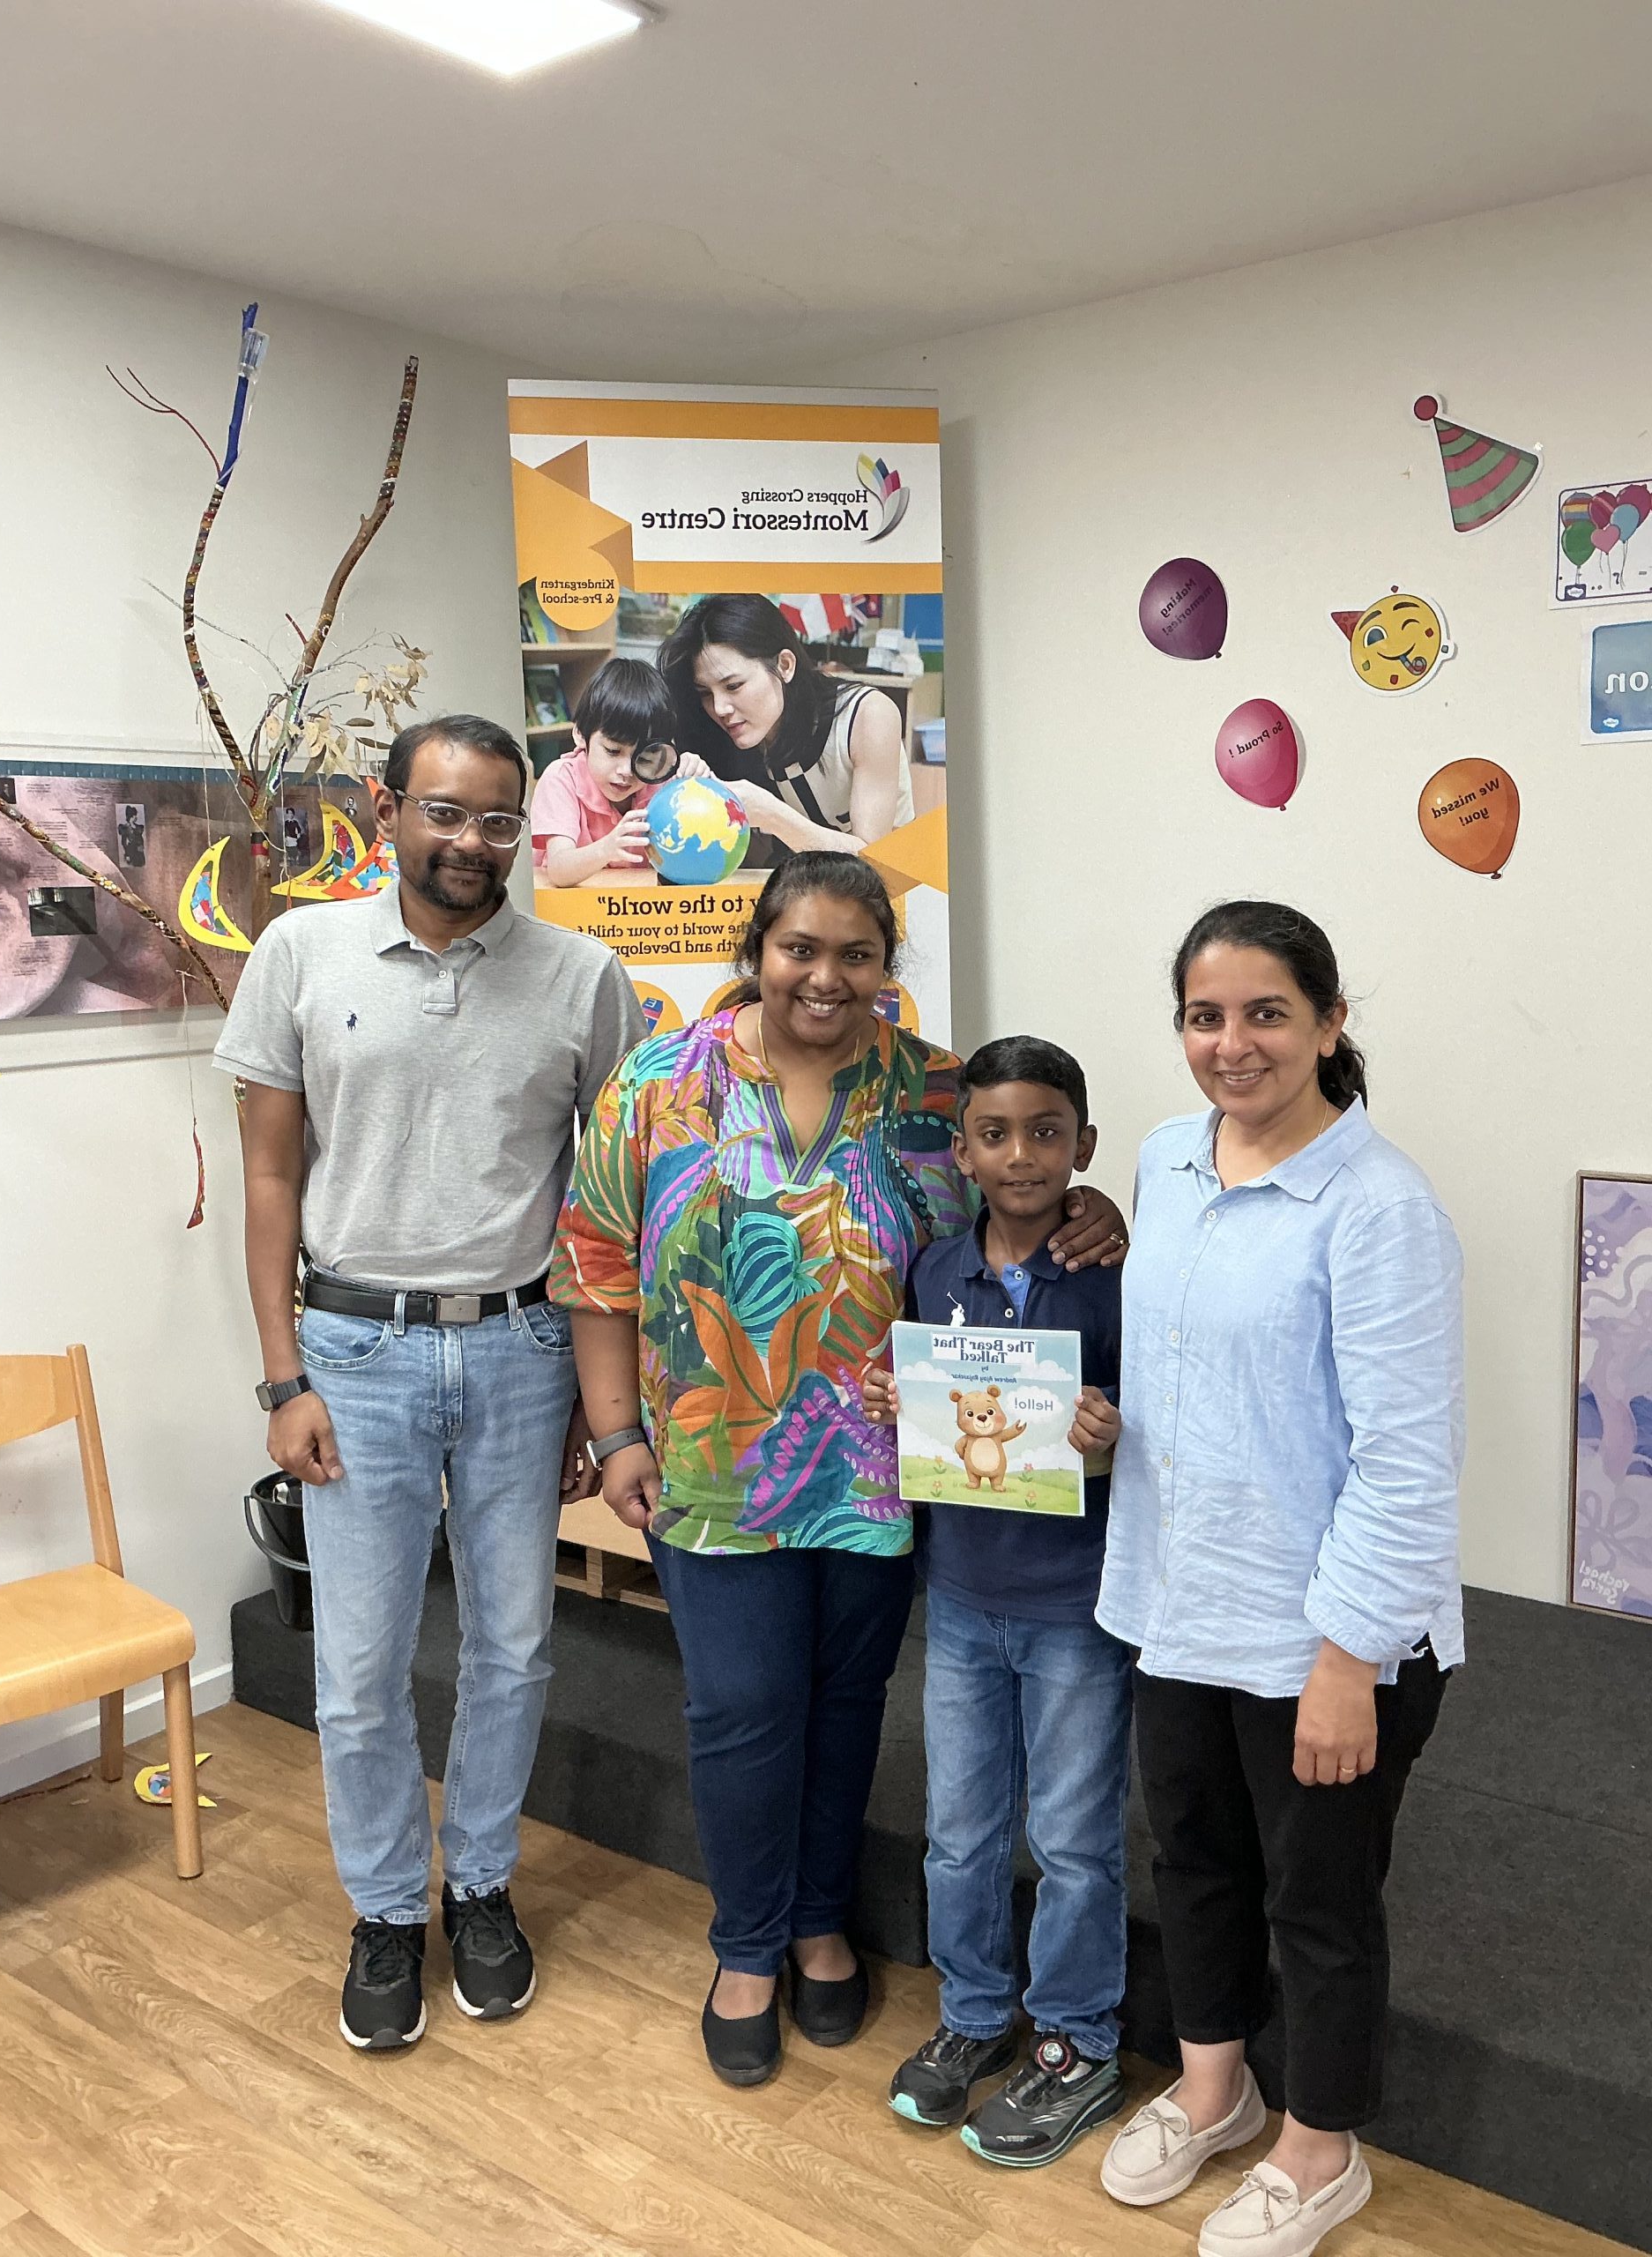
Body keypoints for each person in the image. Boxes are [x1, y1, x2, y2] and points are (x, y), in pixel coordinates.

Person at [550, 854, 1126, 2088]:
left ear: (885, 967)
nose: (825, 976)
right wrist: (616, 1435)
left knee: (847, 1701)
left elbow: (1019, 1205)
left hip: (888, 1476)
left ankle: (821, 1923)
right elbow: (596, 1268)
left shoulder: (937, 1093)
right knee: (740, 1707)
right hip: (709, 1468)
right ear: (757, 950)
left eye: (856, 955)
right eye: (800, 949)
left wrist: (1098, 1215)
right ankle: (747, 1945)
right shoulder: (658, 1084)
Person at [215, 712, 644, 2053]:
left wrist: (598, 1402)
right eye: (444, 812)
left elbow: (607, 1205)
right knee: (358, 1666)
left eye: (499, 819)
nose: (471, 841)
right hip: (354, 1356)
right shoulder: (300, 954)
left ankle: (483, 1887)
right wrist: (281, 1377)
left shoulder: (585, 977)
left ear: (524, 827)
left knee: (513, 1647)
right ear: (386, 806)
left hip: (523, 1351)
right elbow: (270, 1177)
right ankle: (390, 1908)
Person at [1095, 901, 1464, 2257]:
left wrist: (1347, 1660)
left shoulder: (1380, 1209)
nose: (1231, 1044)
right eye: (1205, 1017)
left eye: (1266, 1013)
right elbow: (1184, 1374)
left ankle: (1321, 2149)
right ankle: (1216, 2088)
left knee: (1317, 1902)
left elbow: (1408, 1465)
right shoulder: (1164, 1158)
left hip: (1325, 1636)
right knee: (1193, 1857)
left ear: (1328, 1022)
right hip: (1179, 1600)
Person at [862, 1036, 1134, 2168]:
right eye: (995, 1133)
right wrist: (898, 1398)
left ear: (1083, 1144)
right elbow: (927, 1409)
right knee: (960, 1830)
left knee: (1073, 1837)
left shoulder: (1118, 1278)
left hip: (1077, 1605)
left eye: (1045, 1131)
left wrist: (1113, 1430)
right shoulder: (932, 1273)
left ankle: (1077, 2038)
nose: (1021, 1154)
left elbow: (1154, 1426)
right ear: (963, 1151)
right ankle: (974, 2011)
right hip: (964, 1599)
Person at [656, 592, 912, 858]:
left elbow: (872, 859)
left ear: (785, 665)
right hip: (798, 877)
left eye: (733, 686)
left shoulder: (867, 715)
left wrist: (772, 815)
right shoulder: (732, 735)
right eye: (705, 693)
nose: (719, 708)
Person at [530, 656, 711, 888]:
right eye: (613, 751)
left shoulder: (662, 779)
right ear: (580, 734)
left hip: (634, 906)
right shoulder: (561, 779)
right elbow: (559, 870)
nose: (627, 771)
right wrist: (607, 848)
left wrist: (700, 782)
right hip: (570, 906)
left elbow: (716, 830)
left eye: (644, 757)